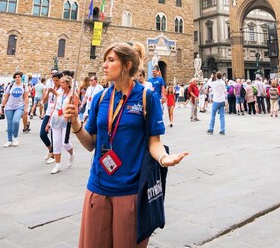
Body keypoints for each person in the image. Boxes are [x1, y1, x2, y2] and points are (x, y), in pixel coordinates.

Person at [65, 42, 187, 247]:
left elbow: (154, 142)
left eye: (111, 60)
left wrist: (164, 158)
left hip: (130, 191)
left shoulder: (148, 97)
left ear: (126, 65)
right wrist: (76, 125)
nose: (104, 65)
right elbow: (91, 144)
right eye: (105, 59)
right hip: (98, 187)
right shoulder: (99, 98)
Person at [47, 75, 75, 174]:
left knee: (65, 142)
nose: (61, 84)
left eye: (63, 82)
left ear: (68, 84)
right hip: (56, 118)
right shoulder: (59, 93)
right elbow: (54, 107)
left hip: (66, 119)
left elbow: (76, 106)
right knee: (56, 143)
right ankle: (58, 165)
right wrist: (48, 122)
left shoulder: (72, 94)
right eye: (61, 82)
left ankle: (71, 153)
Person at [1, 72, 27, 147]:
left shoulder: (24, 86)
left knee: (15, 121)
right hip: (9, 107)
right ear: (14, 78)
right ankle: (9, 140)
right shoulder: (10, 86)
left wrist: (25, 108)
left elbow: (25, 98)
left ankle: (15, 137)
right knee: (9, 124)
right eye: (16, 77)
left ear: (21, 78)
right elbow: (6, 97)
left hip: (19, 106)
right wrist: (2, 107)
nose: (17, 78)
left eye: (19, 77)